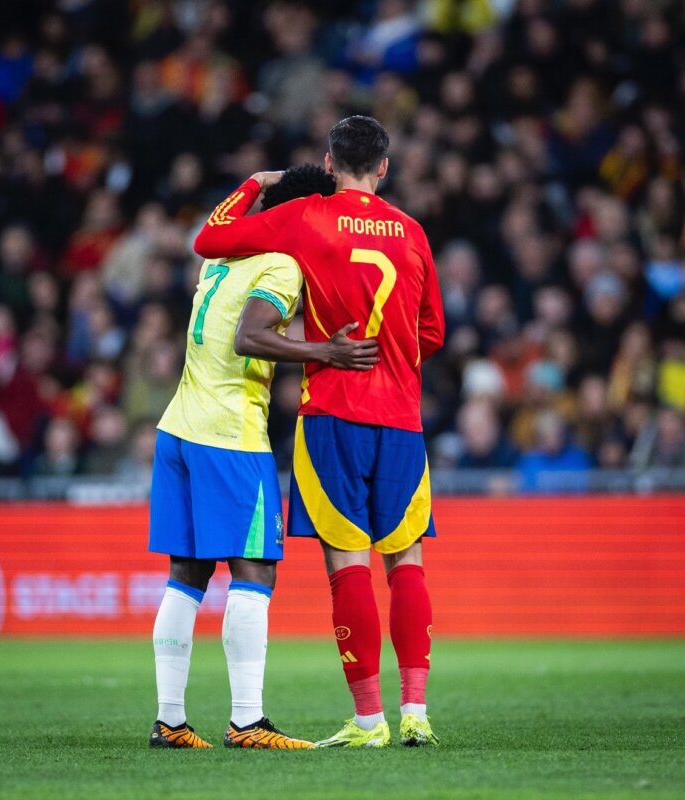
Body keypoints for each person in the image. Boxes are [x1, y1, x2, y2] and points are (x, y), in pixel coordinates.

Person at [194, 116, 445, 748]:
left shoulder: (307, 215)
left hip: (333, 414)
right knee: (407, 561)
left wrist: (255, 181)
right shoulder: (412, 232)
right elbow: (433, 331)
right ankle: (416, 712)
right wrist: (391, 358)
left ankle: (369, 723)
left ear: (330, 164)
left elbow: (209, 239)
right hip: (402, 422)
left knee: (348, 566)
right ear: (384, 168)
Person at [148, 165, 378, 751]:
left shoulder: (220, 258)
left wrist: (252, 181)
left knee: (187, 576)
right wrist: (325, 351)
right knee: (254, 571)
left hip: (179, 428)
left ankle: (170, 721)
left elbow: (215, 228)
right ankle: (247, 722)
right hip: (230, 435)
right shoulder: (280, 264)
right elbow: (248, 337)